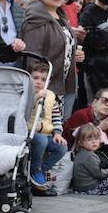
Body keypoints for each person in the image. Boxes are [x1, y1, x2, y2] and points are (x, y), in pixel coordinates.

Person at [21, 0, 79, 114]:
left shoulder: (61, 16)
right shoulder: (35, 18)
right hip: (47, 85)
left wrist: (74, 53)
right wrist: (40, 86)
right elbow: (32, 57)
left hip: (65, 82)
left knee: (59, 129)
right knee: (45, 129)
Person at [25, 59, 66, 189]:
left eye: (43, 79)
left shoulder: (50, 96)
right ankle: (35, 170)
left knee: (61, 147)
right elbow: (22, 112)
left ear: (48, 82)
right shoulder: (26, 93)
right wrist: (35, 97)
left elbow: (56, 116)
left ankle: (41, 170)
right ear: (28, 78)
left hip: (46, 132)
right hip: (29, 132)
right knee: (41, 140)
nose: (39, 82)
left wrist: (58, 133)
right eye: (35, 78)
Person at [63, 89, 108, 160]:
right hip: (75, 156)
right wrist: (100, 128)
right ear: (95, 102)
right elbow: (76, 141)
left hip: (97, 156)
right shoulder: (82, 115)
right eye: (104, 100)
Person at [69, 123, 108, 195]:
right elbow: (98, 174)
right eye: (89, 139)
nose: (94, 141)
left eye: (97, 138)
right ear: (80, 142)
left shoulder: (80, 153)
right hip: (89, 187)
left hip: (78, 187)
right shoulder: (90, 156)